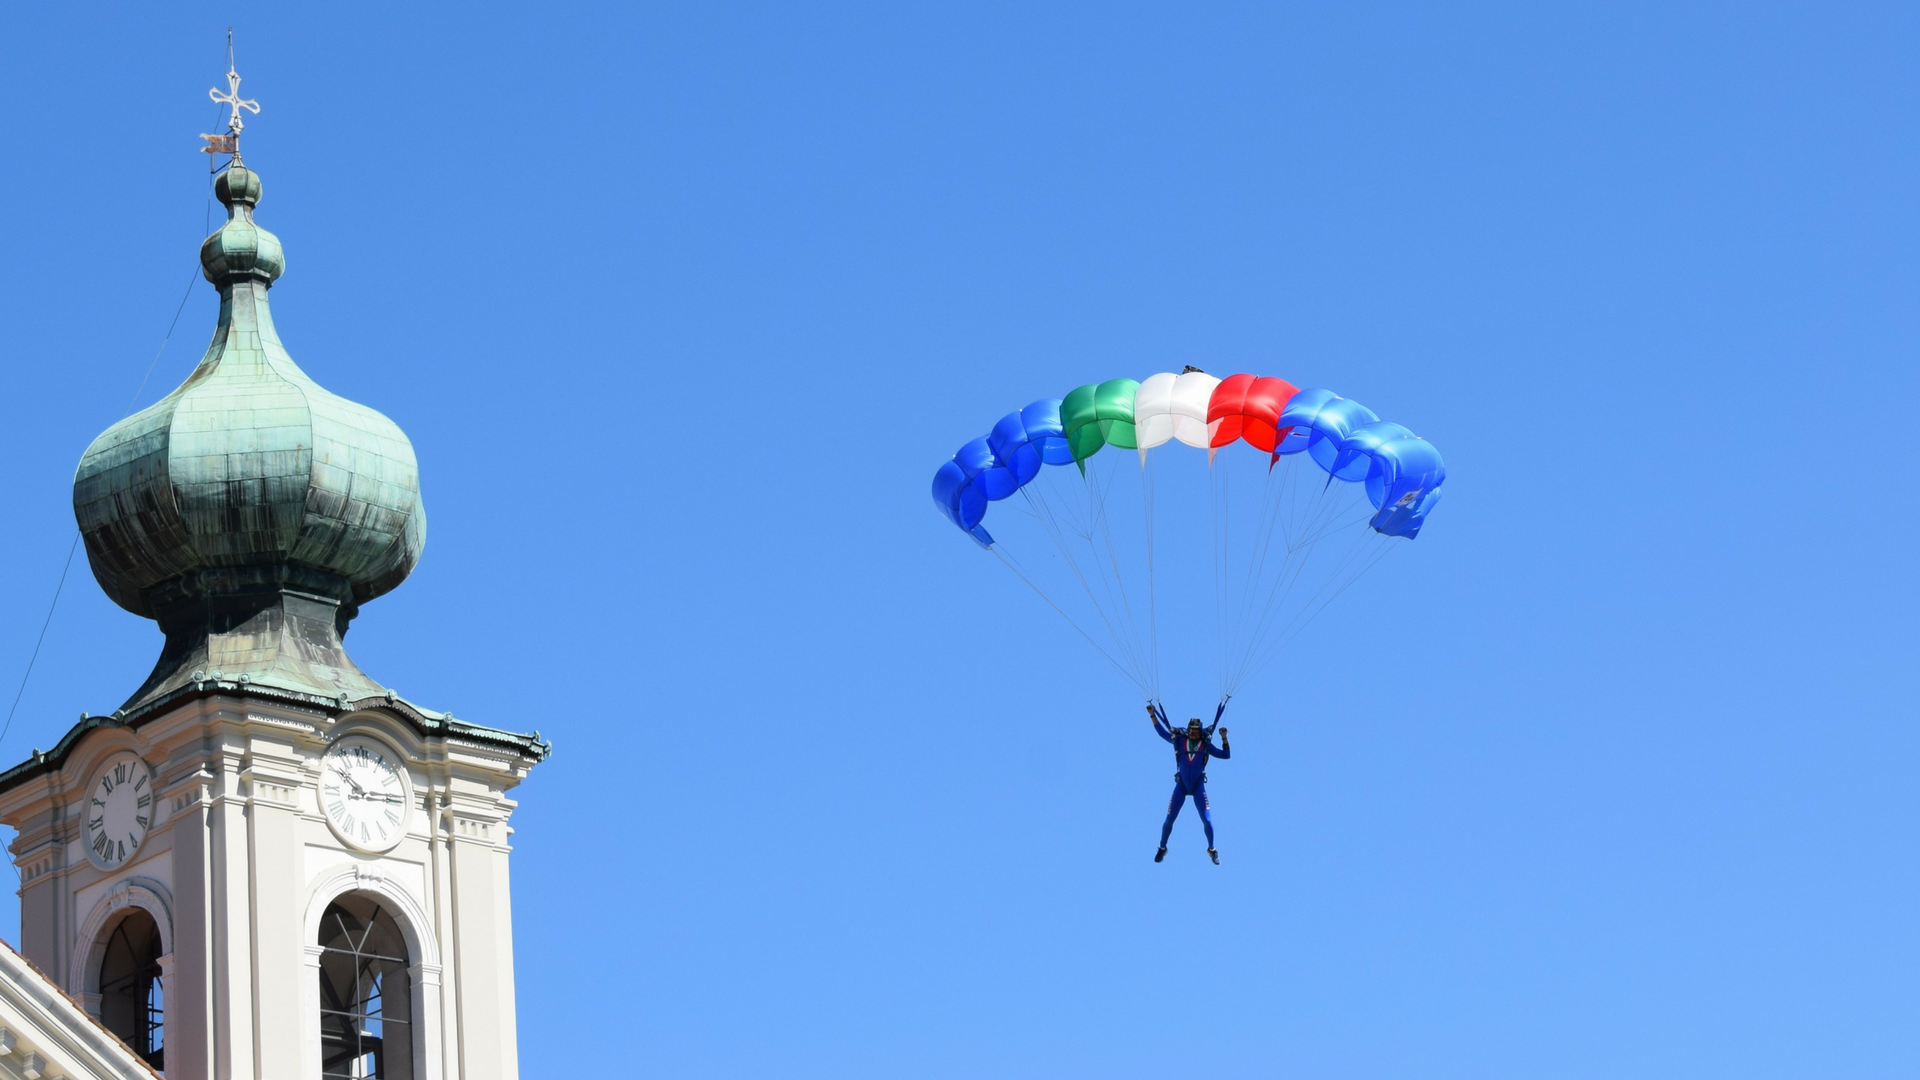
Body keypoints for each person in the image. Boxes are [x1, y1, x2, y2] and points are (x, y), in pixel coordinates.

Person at [1148, 702, 1230, 864]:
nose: (1193, 735)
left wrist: (1224, 737)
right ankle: (1162, 848)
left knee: (1207, 820)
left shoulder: (1205, 745)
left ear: (1200, 733)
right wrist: (1152, 714)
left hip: (1198, 786)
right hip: (1182, 786)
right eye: (1191, 732)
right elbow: (1161, 733)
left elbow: (1225, 755)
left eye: (1196, 733)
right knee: (1169, 819)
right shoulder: (1179, 742)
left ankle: (1212, 849)